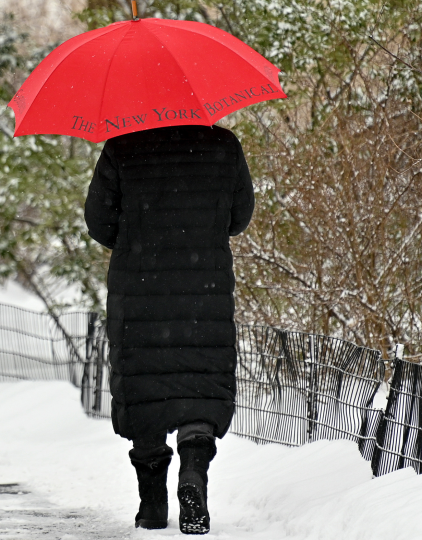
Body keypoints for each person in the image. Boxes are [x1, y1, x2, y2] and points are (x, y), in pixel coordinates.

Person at [84, 124, 255, 535]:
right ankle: (193, 473)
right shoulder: (223, 145)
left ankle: (153, 505)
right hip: (204, 289)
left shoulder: (123, 147)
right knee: (198, 389)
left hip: (139, 290)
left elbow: (99, 222)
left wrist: (140, 236)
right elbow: (239, 218)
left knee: (147, 393)